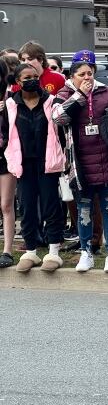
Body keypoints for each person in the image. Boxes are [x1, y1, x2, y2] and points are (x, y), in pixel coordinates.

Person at [52, 50, 108, 273]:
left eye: (90, 73)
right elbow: (59, 117)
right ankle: (86, 252)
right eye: (82, 74)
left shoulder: (105, 92)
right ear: (72, 76)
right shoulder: (63, 95)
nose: (87, 77)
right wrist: (80, 97)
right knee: (83, 209)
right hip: (80, 164)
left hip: (107, 160)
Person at [3, 63, 66, 272]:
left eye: (34, 76)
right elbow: (6, 133)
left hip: (47, 162)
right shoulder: (11, 104)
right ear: (18, 82)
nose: (31, 80)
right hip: (23, 164)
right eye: (26, 77)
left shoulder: (51, 102)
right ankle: (30, 250)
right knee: (27, 207)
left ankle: (54, 250)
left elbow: (62, 129)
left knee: (51, 205)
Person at [0, 56, 16, 268]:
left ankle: (7, 250)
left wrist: (5, 109)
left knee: (6, 204)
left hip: (6, 155)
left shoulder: (10, 97)